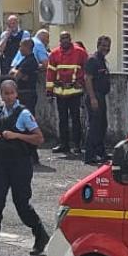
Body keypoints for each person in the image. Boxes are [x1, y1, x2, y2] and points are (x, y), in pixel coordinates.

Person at [0, 80, 50, 256]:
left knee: (22, 205)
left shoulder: (23, 114)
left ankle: (40, 234)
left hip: (20, 164)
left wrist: (16, 135)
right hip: (1, 163)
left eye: (11, 93)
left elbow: (39, 138)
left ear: (16, 94)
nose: (8, 96)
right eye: (5, 93)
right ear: (1, 95)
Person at [46, 31, 87, 155]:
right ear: (60, 40)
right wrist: (49, 90)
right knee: (62, 120)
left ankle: (77, 145)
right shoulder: (54, 53)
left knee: (76, 119)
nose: (65, 40)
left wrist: (82, 83)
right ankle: (64, 144)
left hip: (75, 92)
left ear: (70, 39)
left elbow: (87, 69)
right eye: (62, 38)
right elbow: (50, 72)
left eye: (67, 38)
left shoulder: (80, 52)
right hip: (60, 92)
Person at [11, 38, 42, 166]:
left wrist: (17, 73)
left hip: (27, 95)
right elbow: (14, 73)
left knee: (28, 126)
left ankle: (32, 155)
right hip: (24, 95)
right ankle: (28, 154)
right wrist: (17, 73)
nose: (20, 49)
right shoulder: (25, 60)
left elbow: (16, 76)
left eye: (21, 46)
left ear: (27, 46)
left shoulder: (29, 61)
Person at [83, 36, 112, 165]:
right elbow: (88, 79)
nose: (105, 48)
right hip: (95, 96)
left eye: (107, 46)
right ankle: (89, 155)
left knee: (102, 125)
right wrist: (93, 98)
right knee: (94, 126)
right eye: (103, 45)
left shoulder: (102, 61)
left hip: (101, 96)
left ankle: (100, 152)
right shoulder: (92, 60)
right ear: (98, 45)